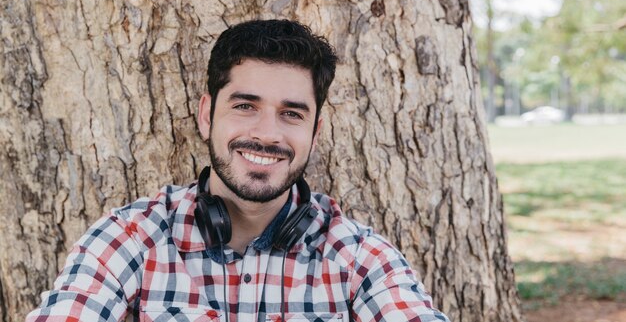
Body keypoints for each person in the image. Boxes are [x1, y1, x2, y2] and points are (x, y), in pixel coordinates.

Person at [27, 20, 450, 322]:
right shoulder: (132, 237)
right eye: (245, 106)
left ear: (315, 132)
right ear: (208, 115)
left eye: (291, 114)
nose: (267, 134)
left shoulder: (358, 257)